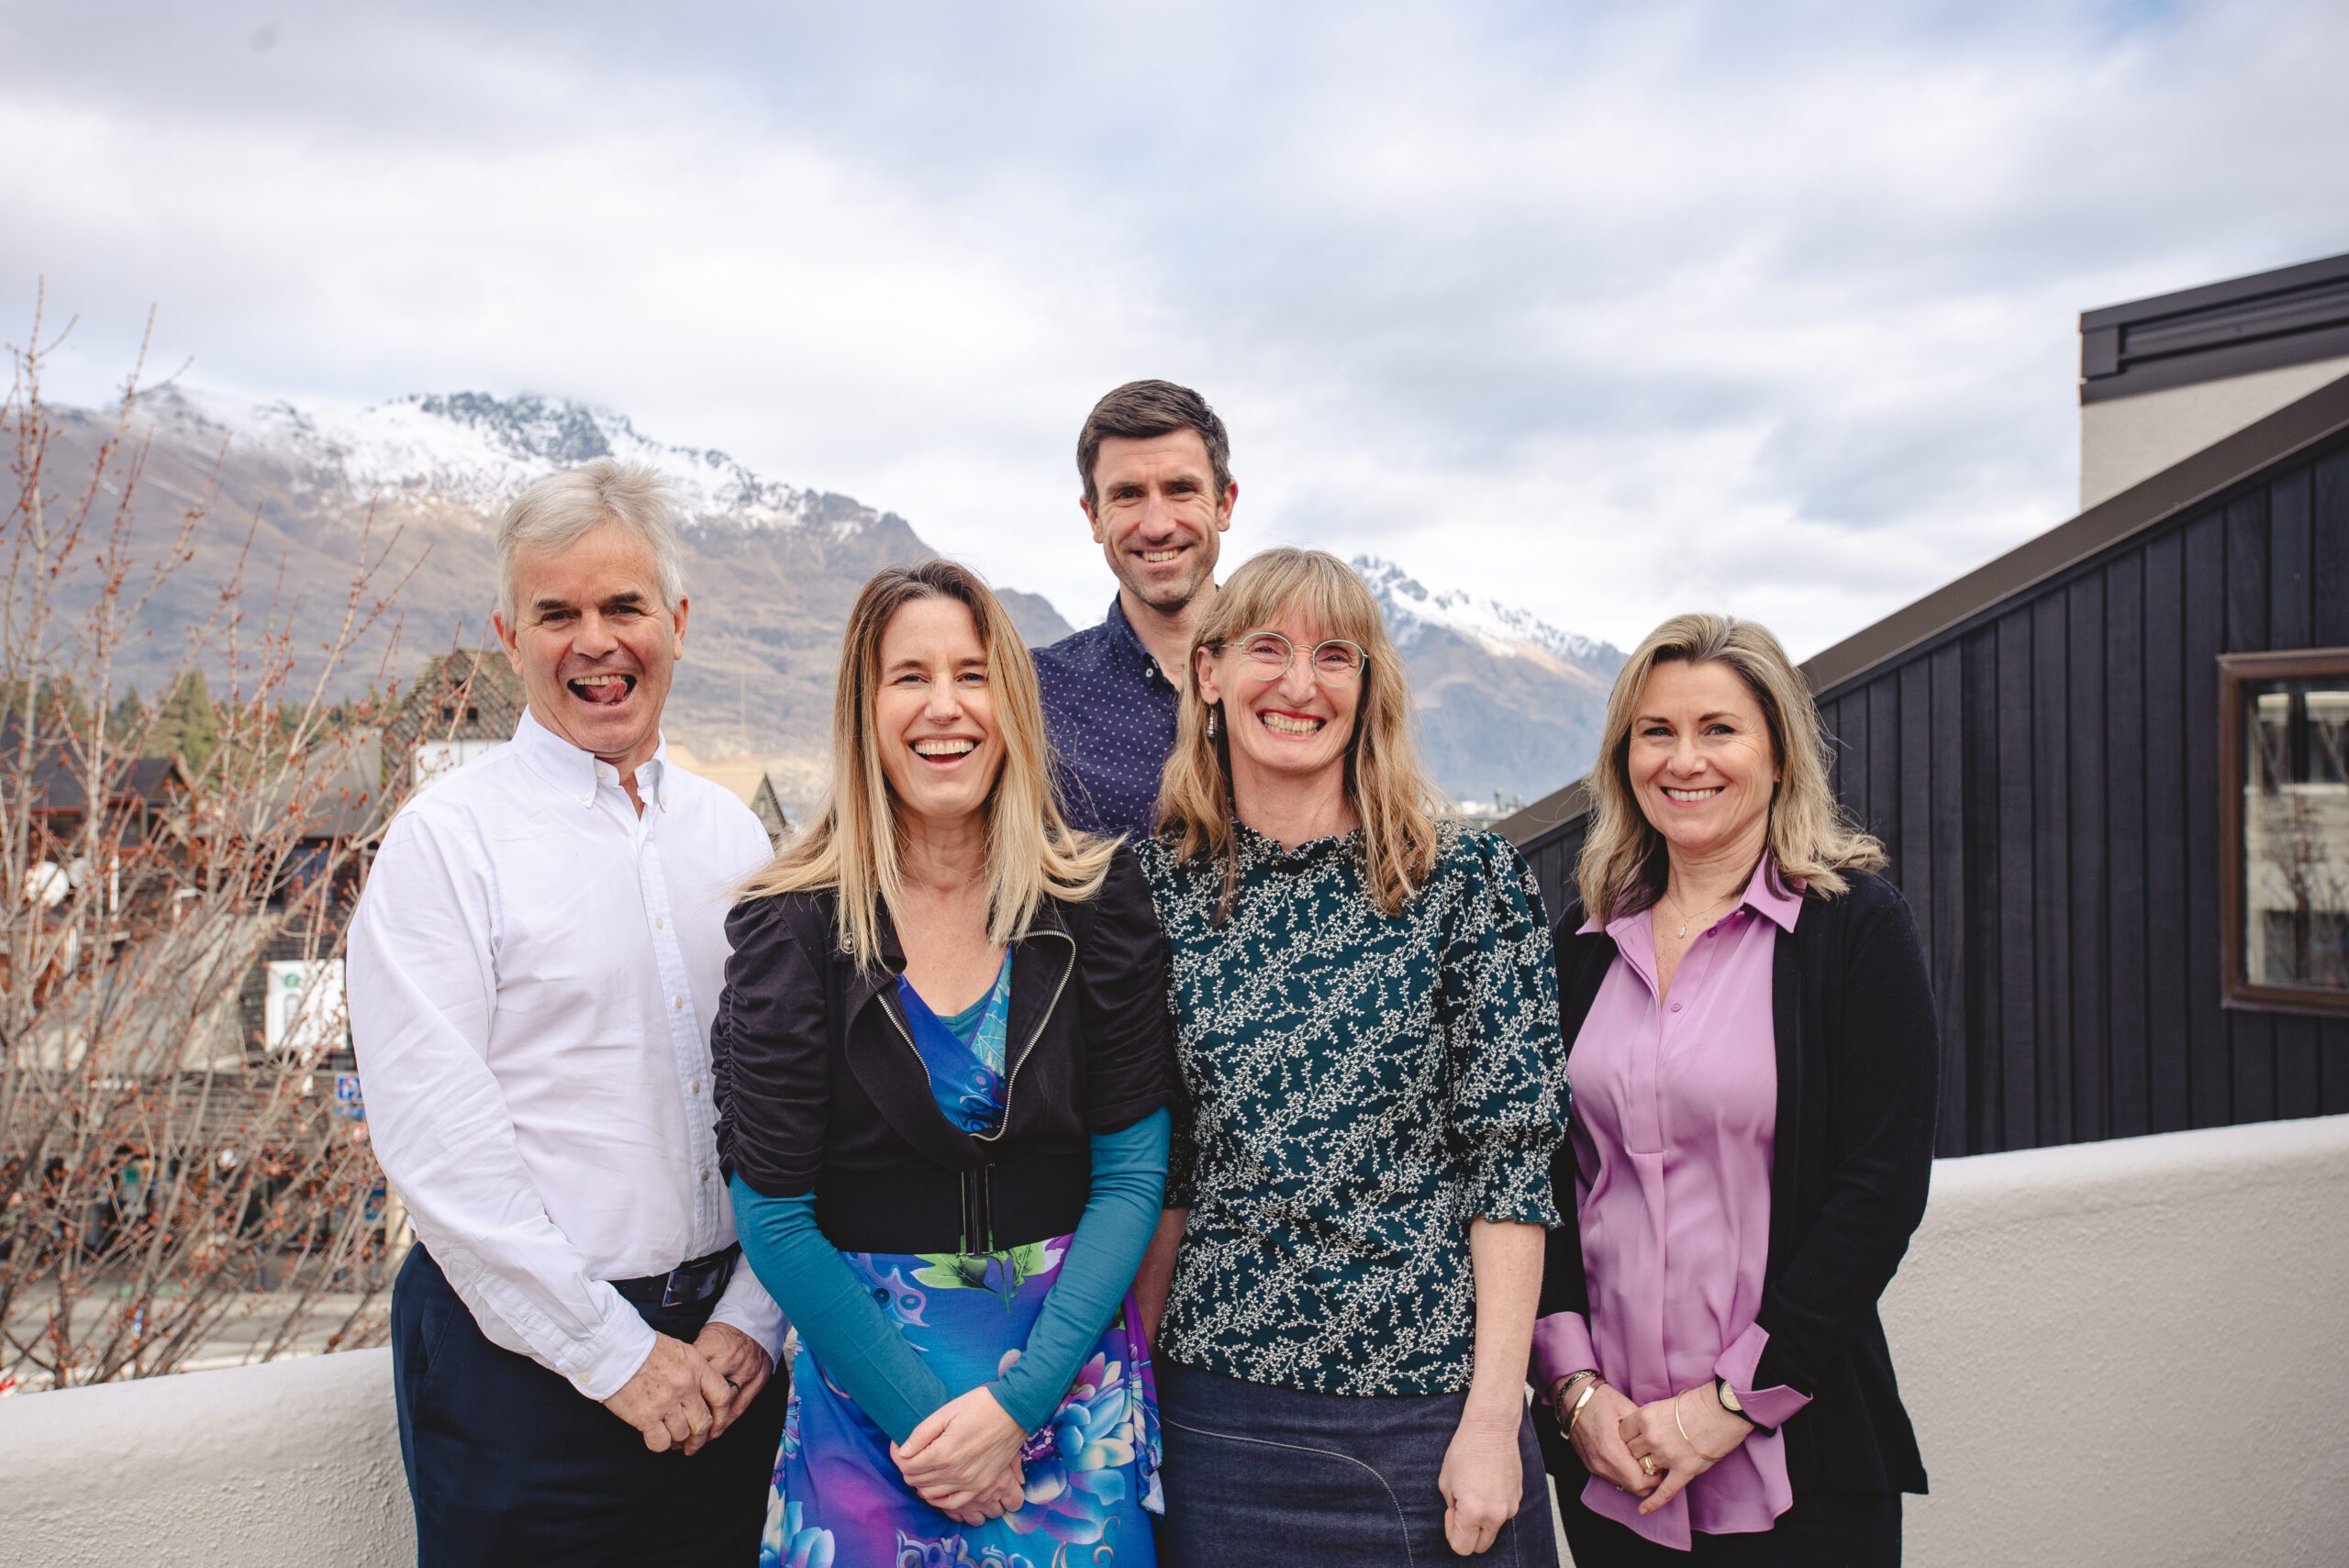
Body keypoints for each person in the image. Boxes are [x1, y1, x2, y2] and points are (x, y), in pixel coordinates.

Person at [348, 461, 789, 1566]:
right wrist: (614, 1354)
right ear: (510, 636)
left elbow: (794, 1100)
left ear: (676, 620)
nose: (595, 641)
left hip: (725, 1363)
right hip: (521, 1374)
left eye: (624, 605)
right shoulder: (447, 844)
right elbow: (439, 1145)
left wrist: (752, 1316)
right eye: (557, 613)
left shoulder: (736, 840)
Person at [716, 559, 1175, 1568]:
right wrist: (933, 1429)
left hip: (1065, 1388)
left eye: (973, 675)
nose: (944, 706)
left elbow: (1133, 1171)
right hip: (869, 1398)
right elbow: (774, 1212)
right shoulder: (790, 924)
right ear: (863, 707)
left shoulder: (1097, 899)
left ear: (1012, 704)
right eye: (909, 677)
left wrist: (1017, 1408)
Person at [1131, 547, 1566, 1564]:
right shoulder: (1152, 892)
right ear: (1209, 672)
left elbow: (1511, 1167)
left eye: (1334, 655)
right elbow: (1162, 1168)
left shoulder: (1463, 880)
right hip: (1217, 1424)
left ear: (1368, 688)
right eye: (1268, 649)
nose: (1299, 683)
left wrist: (1493, 1418)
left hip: (1428, 1418)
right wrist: (1130, 1396)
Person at [1532, 613, 1936, 1565]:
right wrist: (1574, 1389)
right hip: (1612, 1462)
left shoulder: (1856, 930)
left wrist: (1729, 1406)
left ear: (1778, 753)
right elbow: (1540, 1176)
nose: (1685, 759)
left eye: (1719, 728)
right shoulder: (1584, 942)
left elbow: (1878, 1193)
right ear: (1624, 757)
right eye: (1656, 731)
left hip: (1799, 1465)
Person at [1032, 379, 1238, 838]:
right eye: (1127, 494)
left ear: (1224, 504)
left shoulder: (1294, 678)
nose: (1157, 525)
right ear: (1094, 517)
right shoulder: (1034, 695)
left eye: (1181, 489)